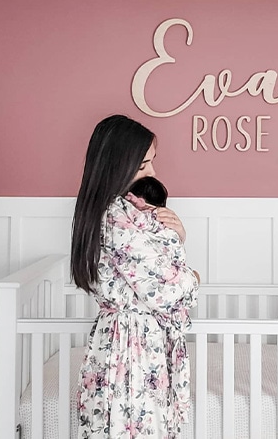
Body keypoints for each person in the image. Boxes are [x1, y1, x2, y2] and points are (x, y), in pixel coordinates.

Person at [71, 115, 200, 439]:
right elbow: (165, 290)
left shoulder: (115, 212)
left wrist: (176, 240)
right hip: (132, 347)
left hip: (127, 339)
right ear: (119, 165)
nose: (153, 174)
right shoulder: (118, 217)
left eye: (152, 163)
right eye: (143, 166)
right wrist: (191, 274)